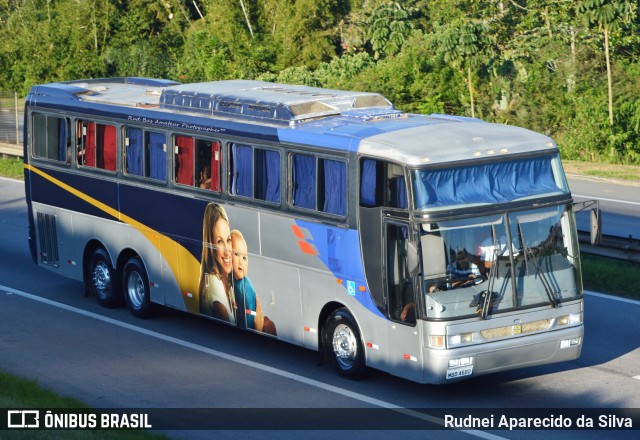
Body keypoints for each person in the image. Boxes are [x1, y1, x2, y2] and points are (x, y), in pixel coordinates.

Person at [231, 229, 277, 336]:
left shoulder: (245, 286)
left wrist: (244, 328)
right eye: (236, 254)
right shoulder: (233, 280)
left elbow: (250, 313)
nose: (240, 262)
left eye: (244, 258)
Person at [198, 203, 236, 323]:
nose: (227, 251)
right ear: (210, 246)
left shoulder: (226, 282)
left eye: (228, 240)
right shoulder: (214, 284)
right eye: (219, 241)